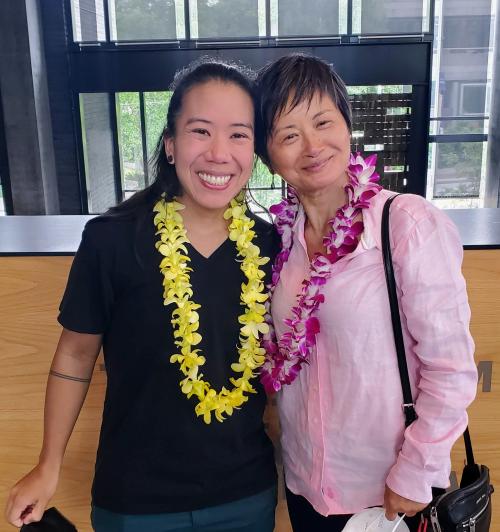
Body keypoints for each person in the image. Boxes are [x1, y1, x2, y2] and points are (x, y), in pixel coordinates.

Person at [5, 58, 278, 532]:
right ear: (170, 144)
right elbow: (74, 357)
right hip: (135, 503)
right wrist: (48, 465)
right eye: (199, 131)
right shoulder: (111, 241)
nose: (219, 153)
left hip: (245, 496)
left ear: (254, 150)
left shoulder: (271, 246)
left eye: (238, 134)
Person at [254, 53, 478, 532]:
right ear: (267, 154)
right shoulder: (280, 242)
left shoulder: (406, 224)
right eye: (289, 135)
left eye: (323, 122)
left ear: (346, 123)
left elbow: (451, 368)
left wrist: (416, 473)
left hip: (388, 495)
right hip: (304, 488)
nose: (312, 146)